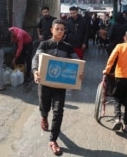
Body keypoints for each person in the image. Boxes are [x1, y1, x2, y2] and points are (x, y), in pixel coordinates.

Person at [32, 19, 83, 155]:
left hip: (60, 85)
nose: (60, 31)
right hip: (45, 83)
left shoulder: (68, 47)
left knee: (58, 111)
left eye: (62, 29)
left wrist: (79, 72)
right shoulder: (44, 44)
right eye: (57, 29)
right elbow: (36, 59)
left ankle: (53, 140)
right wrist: (35, 71)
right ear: (52, 30)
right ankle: (43, 116)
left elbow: (76, 61)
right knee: (44, 106)